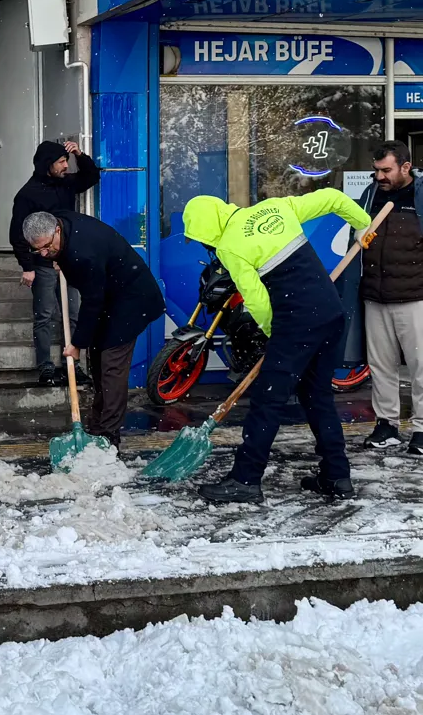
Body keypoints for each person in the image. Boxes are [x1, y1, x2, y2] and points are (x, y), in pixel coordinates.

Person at [181, 190, 372, 503]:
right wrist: (362, 225)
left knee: (267, 401)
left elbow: (257, 301)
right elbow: (333, 198)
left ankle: (245, 480)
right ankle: (336, 476)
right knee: (318, 396)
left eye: (202, 239)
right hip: (331, 312)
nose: (207, 246)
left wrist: (276, 335)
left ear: (208, 228)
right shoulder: (275, 208)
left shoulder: (229, 246)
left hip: (296, 321)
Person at [22, 210, 165, 449]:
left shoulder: (82, 253)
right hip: (108, 295)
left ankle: (109, 437)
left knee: (111, 367)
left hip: (131, 299)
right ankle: (96, 428)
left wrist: (77, 345)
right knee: (97, 361)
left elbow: (92, 302)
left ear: (57, 230)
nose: (45, 254)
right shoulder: (62, 225)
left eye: (47, 247)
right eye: (38, 250)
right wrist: (59, 258)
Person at [351, 141, 423, 454]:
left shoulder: (420, 195)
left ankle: (422, 429)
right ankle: (386, 424)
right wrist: (358, 232)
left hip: (415, 296)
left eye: (386, 170)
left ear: (406, 167)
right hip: (375, 296)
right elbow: (355, 232)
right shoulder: (370, 195)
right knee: (381, 366)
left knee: (421, 367)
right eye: (376, 170)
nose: (379, 176)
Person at [9, 140, 100, 386]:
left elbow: (91, 177)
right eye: (61, 162)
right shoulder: (28, 195)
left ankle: (73, 364)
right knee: (45, 315)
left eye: (66, 161)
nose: (65, 166)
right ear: (47, 164)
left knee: (73, 314)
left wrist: (80, 154)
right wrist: (27, 267)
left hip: (69, 262)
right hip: (43, 264)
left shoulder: (66, 183)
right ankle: (46, 367)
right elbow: (18, 234)